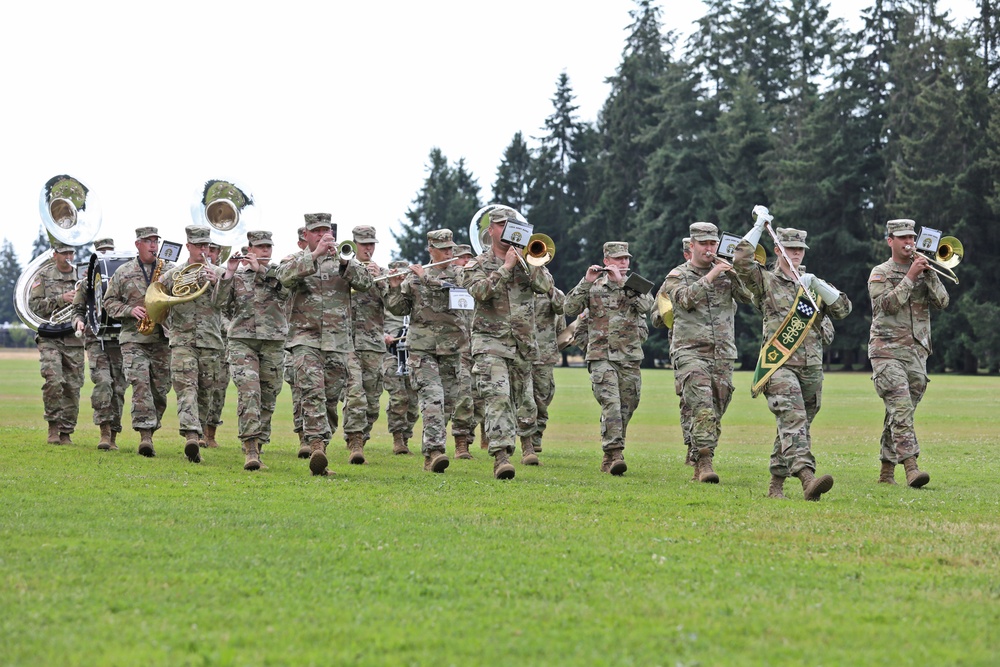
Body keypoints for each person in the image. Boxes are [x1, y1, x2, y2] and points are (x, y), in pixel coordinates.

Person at [733, 221, 851, 500]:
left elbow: (843, 310)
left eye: (800, 249)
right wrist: (759, 226)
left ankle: (775, 485)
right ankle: (807, 478)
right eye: (790, 248)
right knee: (794, 419)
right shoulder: (767, 281)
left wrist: (819, 286)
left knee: (794, 425)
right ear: (778, 249)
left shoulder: (810, 284)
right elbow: (740, 259)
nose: (796, 253)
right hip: (779, 364)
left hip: (811, 366)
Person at [460, 206, 553, 479]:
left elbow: (546, 288)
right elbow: (479, 292)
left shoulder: (529, 261)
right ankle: (501, 457)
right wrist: (505, 268)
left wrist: (529, 263)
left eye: (512, 225)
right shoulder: (476, 265)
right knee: (498, 398)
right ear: (491, 230)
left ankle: (527, 445)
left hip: (522, 344)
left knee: (524, 402)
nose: (507, 230)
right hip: (490, 343)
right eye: (501, 225)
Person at [278, 214, 373, 476]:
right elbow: (282, 278)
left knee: (331, 398)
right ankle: (317, 446)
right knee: (312, 392)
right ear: (306, 235)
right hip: (304, 339)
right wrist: (314, 255)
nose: (322, 235)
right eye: (316, 231)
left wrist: (346, 263)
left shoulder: (344, 261)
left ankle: (323, 443)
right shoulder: (294, 261)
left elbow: (365, 284)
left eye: (325, 230)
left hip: (337, 341)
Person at [659, 222, 753, 483]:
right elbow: (684, 300)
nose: (709, 249)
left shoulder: (725, 272)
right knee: (703, 408)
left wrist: (734, 274)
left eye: (713, 243)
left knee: (717, 407)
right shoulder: (676, 275)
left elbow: (749, 298)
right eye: (704, 244)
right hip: (689, 352)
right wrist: (711, 276)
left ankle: (698, 448)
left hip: (723, 353)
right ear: (692, 246)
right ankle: (704, 463)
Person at [868, 218, 949, 488]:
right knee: (901, 407)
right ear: (890, 241)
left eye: (911, 238)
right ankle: (911, 468)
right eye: (902, 238)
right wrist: (910, 276)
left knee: (900, 413)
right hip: (886, 351)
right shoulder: (880, 272)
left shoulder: (925, 271)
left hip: (917, 353)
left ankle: (886, 472)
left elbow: (943, 302)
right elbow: (886, 306)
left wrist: (930, 275)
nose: (908, 243)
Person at [565, 242, 653, 474]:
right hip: (601, 357)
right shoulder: (593, 285)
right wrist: (586, 281)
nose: (623, 263)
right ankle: (615, 453)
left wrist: (622, 283)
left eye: (626, 259)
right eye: (618, 259)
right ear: (606, 261)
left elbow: (647, 307)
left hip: (630, 358)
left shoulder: (635, 284)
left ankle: (608, 455)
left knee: (627, 406)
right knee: (611, 404)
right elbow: (569, 308)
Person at [386, 229, 468, 472]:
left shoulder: (461, 274)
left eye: (450, 249)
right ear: (431, 250)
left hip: (452, 349)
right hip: (422, 350)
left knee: (448, 404)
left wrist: (426, 279)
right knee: (432, 399)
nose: (449, 253)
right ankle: (434, 452)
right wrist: (394, 286)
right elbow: (399, 309)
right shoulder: (414, 277)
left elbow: (464, 296)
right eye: (443, 249)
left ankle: (429, 452)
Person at [102, 227, 173, 456]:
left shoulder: (169, 270)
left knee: (160, 390)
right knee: (140, 385)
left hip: (162, 338)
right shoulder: (123, 272)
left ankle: (151, 430)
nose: (153, 246)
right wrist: (129, 310)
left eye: (155, 241)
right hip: (133, 338)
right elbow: (109, 302)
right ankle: (145, 436)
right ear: (137, 244)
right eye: (148, 241)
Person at [159, 225, 227, 463]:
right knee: (186, 389)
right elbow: (157, 302)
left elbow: (228, 306)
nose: (202, 250)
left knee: (206, 393)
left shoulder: (220, 273)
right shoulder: (173, 275)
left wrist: (219, 283)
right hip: (182, 341)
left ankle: (198, 433)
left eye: (206, 246)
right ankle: (191, 435)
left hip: (211, 343)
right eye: (198, 245)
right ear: (188, 246)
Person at [220, 231, 287, 470]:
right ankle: (250, 449)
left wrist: (262, 270)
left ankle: (259, 447)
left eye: (268, 246)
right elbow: (219, 304)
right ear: (250, 249)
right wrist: (228, 273)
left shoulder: (279, 273)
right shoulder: (237, 277)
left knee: (269, 397)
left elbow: (288, 293)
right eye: (260, 247)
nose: (265, 250)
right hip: (242, 340)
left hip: (273, 341)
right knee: (249, 392)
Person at [71, 237, 126, 450]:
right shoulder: (86, 284)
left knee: (119, 388)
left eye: (109, 253)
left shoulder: (123, 279)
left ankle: (114, 436)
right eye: (102, 252)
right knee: (103, 382)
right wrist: (79, 321)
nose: (106, 256)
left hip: (120, 340)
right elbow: (77, 311)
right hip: (96, 339)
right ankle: (103, 432)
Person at [29, 240, 85, 446]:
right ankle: (53, 426)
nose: (68, 256)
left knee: (73, 386)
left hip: (74, 338)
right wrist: (62, 298)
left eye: (71, 252)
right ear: (54, 255)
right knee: (53, 380)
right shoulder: (43, 276)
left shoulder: (82, 276)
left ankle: (66, 432)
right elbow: (34, 306)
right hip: (49, 337)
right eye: (63, 253)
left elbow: (91, 305)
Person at [344, 225, 389, 445]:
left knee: (372, 400)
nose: (368, 248)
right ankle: (354, 439)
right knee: (355, 394)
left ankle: (362, 435)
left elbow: (395, 306)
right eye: (363, 244)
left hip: (372, 343)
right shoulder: (344, 269)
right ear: (354, 245)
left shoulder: (384, 273)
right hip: (347, 343)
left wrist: (380, 280)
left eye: (371, 244)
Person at [382, 265, 419, 455]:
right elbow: (370, 320)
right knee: (399, 396)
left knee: (413, 400)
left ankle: (406, 437)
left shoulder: (414, 292)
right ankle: (398, 439)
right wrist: (383, 334)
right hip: (390, 352)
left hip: (412, 352)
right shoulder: (385, 294)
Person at [283, 226, 311, 458]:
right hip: (296, 338)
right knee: (299, 390)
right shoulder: (292, 261)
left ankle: (316, 438)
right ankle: (304, 437)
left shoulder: (334, 260)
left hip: (328, 339)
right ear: (301, 242)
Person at [449, 243, 479, 456]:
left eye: (469, 257)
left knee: (480, 396)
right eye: (461, 258)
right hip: (456, 347)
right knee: (462, 395)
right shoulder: (447, 280)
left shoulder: (476, 280)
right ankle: (461, 441)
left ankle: (479, 438)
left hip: (478, 344)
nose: (466, 262)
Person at [530, 282, 566, 455]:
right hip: (517, 352)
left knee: (542, 399)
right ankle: (523, 439)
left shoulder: (552, 291)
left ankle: (536, 437)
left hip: (544, 355)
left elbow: (562, 310)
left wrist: (549, 287)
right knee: (519, 398)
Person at [203, 242, 229, 448]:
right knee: (198, 386)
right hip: (199, 339)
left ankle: (210, 434)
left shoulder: (226, 274)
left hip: (222, 341)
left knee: (218, 388)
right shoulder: (190, 271)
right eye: (206, 249)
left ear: (220, 253)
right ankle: (195, 432)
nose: (209, 253)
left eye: (213, 250)